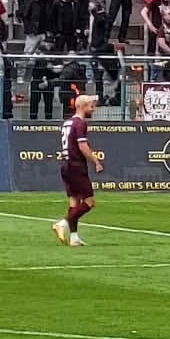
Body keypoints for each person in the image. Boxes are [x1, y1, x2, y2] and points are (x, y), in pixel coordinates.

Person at [53, 94, 103, 247]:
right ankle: (62, 224)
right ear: (82, 106)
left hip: (66, 165)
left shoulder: (68, 122)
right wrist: (96, 161)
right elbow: (82, 146)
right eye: (91, 106)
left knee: (74, 202)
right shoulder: (80, 123)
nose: (93, 109)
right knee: (89, 202)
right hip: (76, 166)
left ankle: (74, 238)